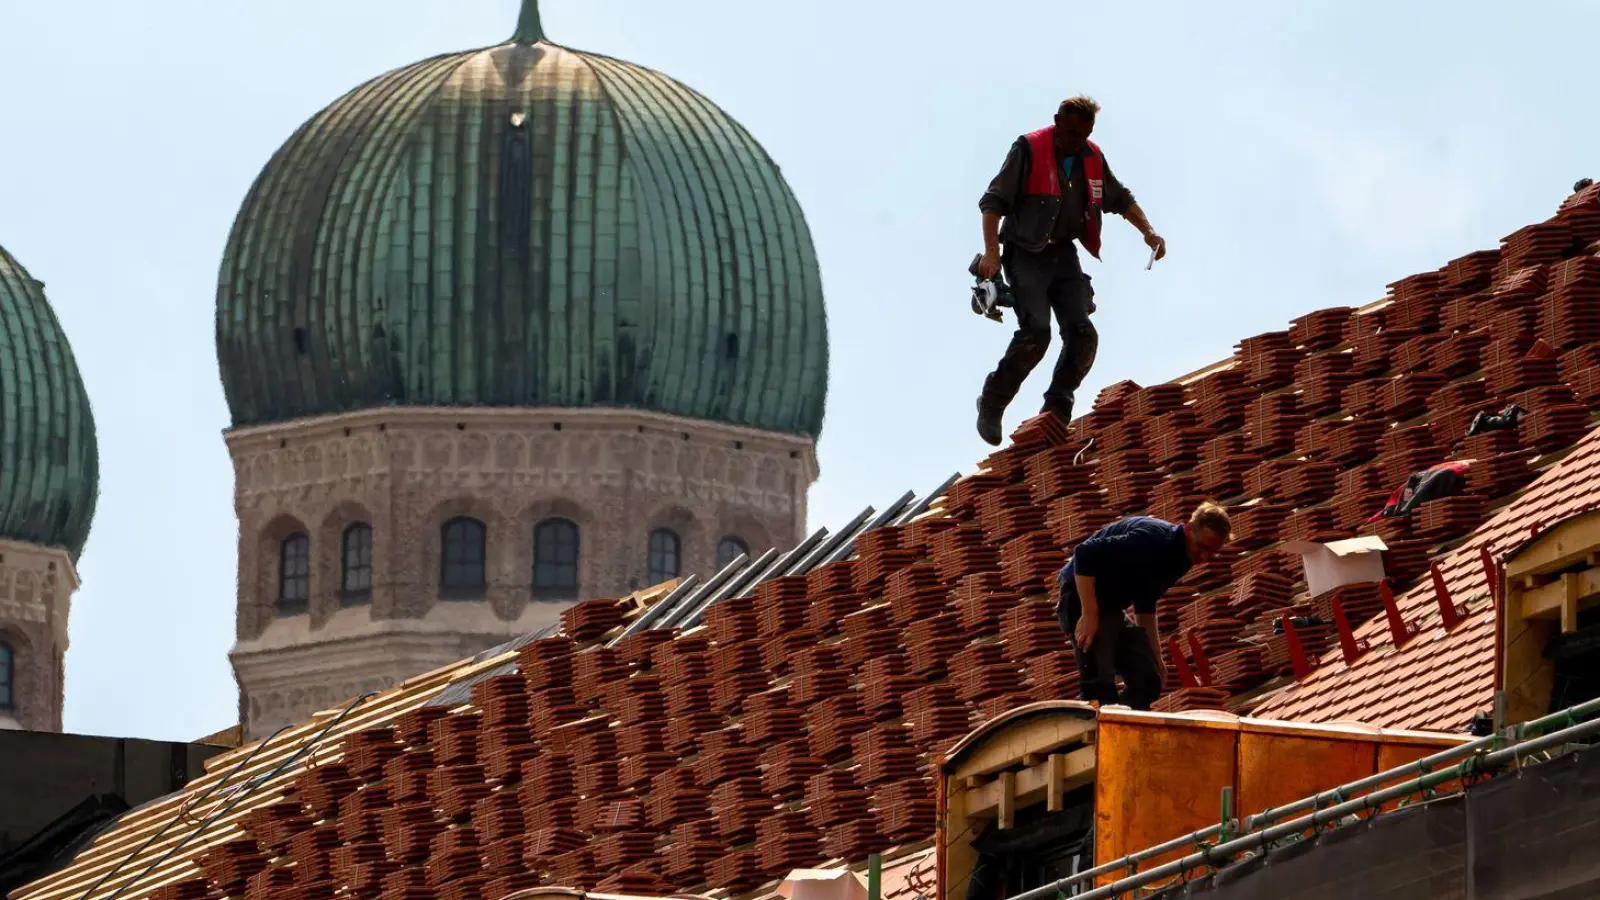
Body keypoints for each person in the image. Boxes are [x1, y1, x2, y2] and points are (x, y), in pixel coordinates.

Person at [974, 95, 1167, 446]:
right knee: (1036, 335)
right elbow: (993, 203)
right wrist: (992, 253)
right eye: (1071, 132)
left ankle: (1056, 411)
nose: (1075, 140)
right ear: (1057, 122)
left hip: (1062, 254)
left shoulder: (1091, 159)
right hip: (1025, 253)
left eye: (1083, 133)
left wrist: (1148, 232)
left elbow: (1120, 198)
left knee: (1082, 335)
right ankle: (992, 402)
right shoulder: (1029, 149)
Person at [1054, 502, 1232, 710]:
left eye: (1211, 552)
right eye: (1202, 547)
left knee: (1149, 679)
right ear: (1189, 529)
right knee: (1099, 680)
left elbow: (1145, 603)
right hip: (1080, 594)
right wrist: (1089, 612)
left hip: (1110, 606)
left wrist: (1157, 656)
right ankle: (1096, 722)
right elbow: (1084, 554)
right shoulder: (1153, 540)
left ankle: (1121, 724)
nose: (1204, 558)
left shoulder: (1183, 558)